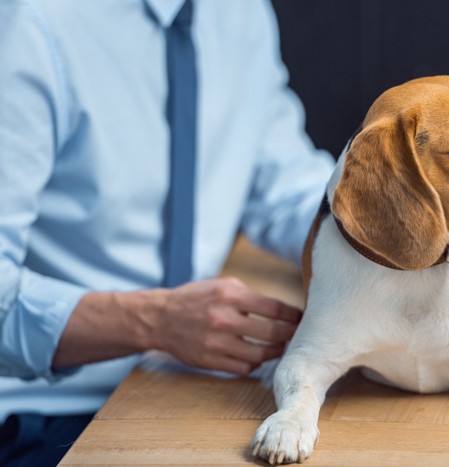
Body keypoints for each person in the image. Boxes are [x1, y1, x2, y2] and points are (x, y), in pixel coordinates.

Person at [0, 0, 335, 465]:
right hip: (45, 415)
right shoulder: (29, 22)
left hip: (184, 387)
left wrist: (377, 226)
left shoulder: (241, 13)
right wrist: (153, 321)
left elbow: (280, 186)